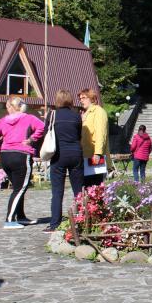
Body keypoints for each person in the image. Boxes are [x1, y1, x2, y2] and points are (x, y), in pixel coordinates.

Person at [0, 97, 44, 229]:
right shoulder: (29, 118)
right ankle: (9, 219)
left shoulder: (2, 121)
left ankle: (21, 217)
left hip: (5, 156)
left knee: (18, 187)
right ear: (21, 107)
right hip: (21, 155)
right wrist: (31, 139)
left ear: (9, 108)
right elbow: (42, 127)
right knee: (20, 188)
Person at [44, 90, 84, 233]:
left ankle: (54, 223)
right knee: (78, 190)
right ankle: (82, 220)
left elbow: (45, 134)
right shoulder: (76, 116)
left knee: (57, 191)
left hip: (58, 155)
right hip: (75, 154)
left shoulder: (52, 115)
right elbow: (79, 135)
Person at [79, 88, 110, 187]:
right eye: (80, 98)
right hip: (85, 155)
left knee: (95, 188)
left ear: (92, 98)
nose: (81, 100)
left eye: (84, 98)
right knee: (87, 187)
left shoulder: (99, 112)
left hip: (94, 155)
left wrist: (98, 153)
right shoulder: (85, 113)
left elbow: (100, 133)